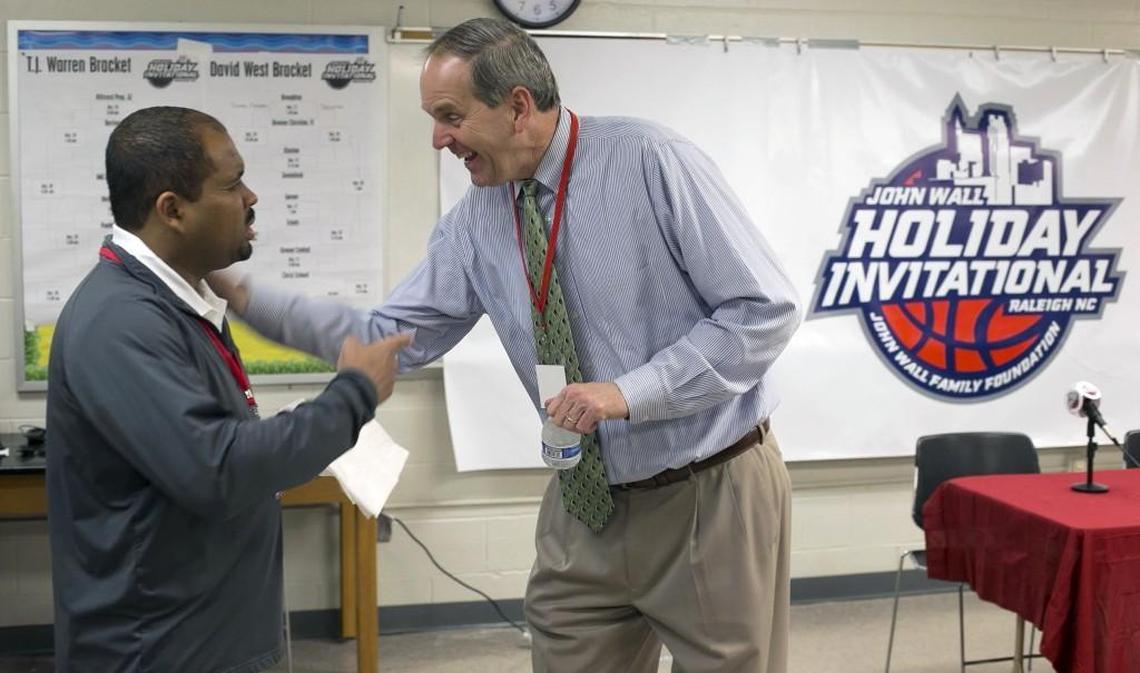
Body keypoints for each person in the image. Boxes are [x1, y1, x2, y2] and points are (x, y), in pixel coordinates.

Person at [217, 17, 801, 673]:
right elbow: (387, 339)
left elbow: (764, 308)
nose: (439, 139)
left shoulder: (651, 161)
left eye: (450, 115)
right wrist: (240, 292)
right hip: (583, 500)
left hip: (706, 487)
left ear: (517, 106)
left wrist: (630, 392)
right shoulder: (475, 222)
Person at [45, 106, 411, 672]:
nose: (252, 196)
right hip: (162, 651)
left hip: (206, 637)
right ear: (173, 210)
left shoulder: (175, 302)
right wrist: (355, 393)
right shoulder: (121, 321)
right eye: (232, 182)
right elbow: (219, 469)